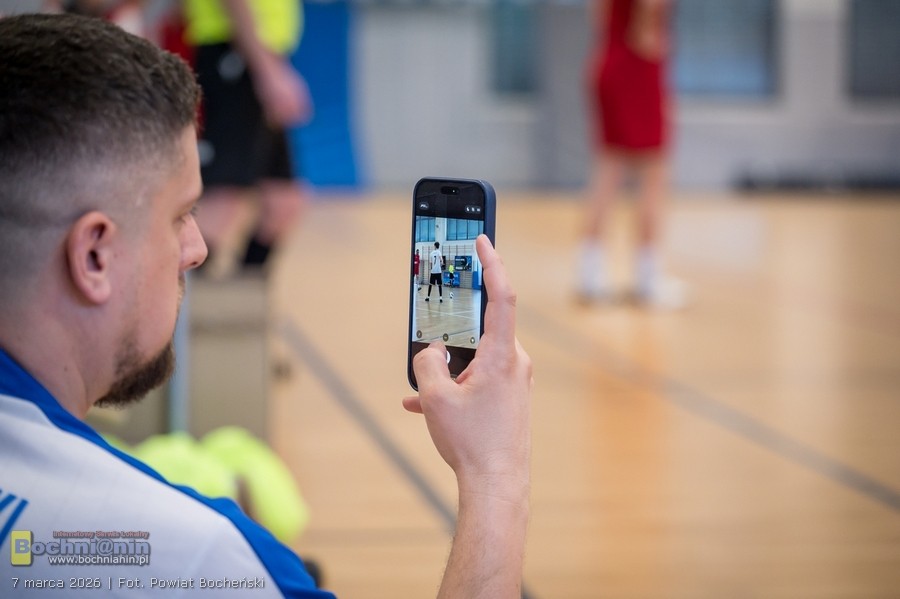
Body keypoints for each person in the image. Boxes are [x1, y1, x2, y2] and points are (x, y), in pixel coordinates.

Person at [0, 14, 532, 599]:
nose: (198, 249)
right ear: (94, 256)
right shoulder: (199, 556)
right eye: (180, 215)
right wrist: (494, 474)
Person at [183, 0, 312, 277]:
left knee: (282, 201)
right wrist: (268, 72)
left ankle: (239, 298)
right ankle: (177, 299)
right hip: (236, 50)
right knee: (224, 201)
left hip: (261, 54)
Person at [577, 0, 688, 307]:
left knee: (608, 171)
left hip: (609, 59)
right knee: (654, 174)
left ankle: (589, 274)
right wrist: (651, 35)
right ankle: (648, 280)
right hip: (636, 67)